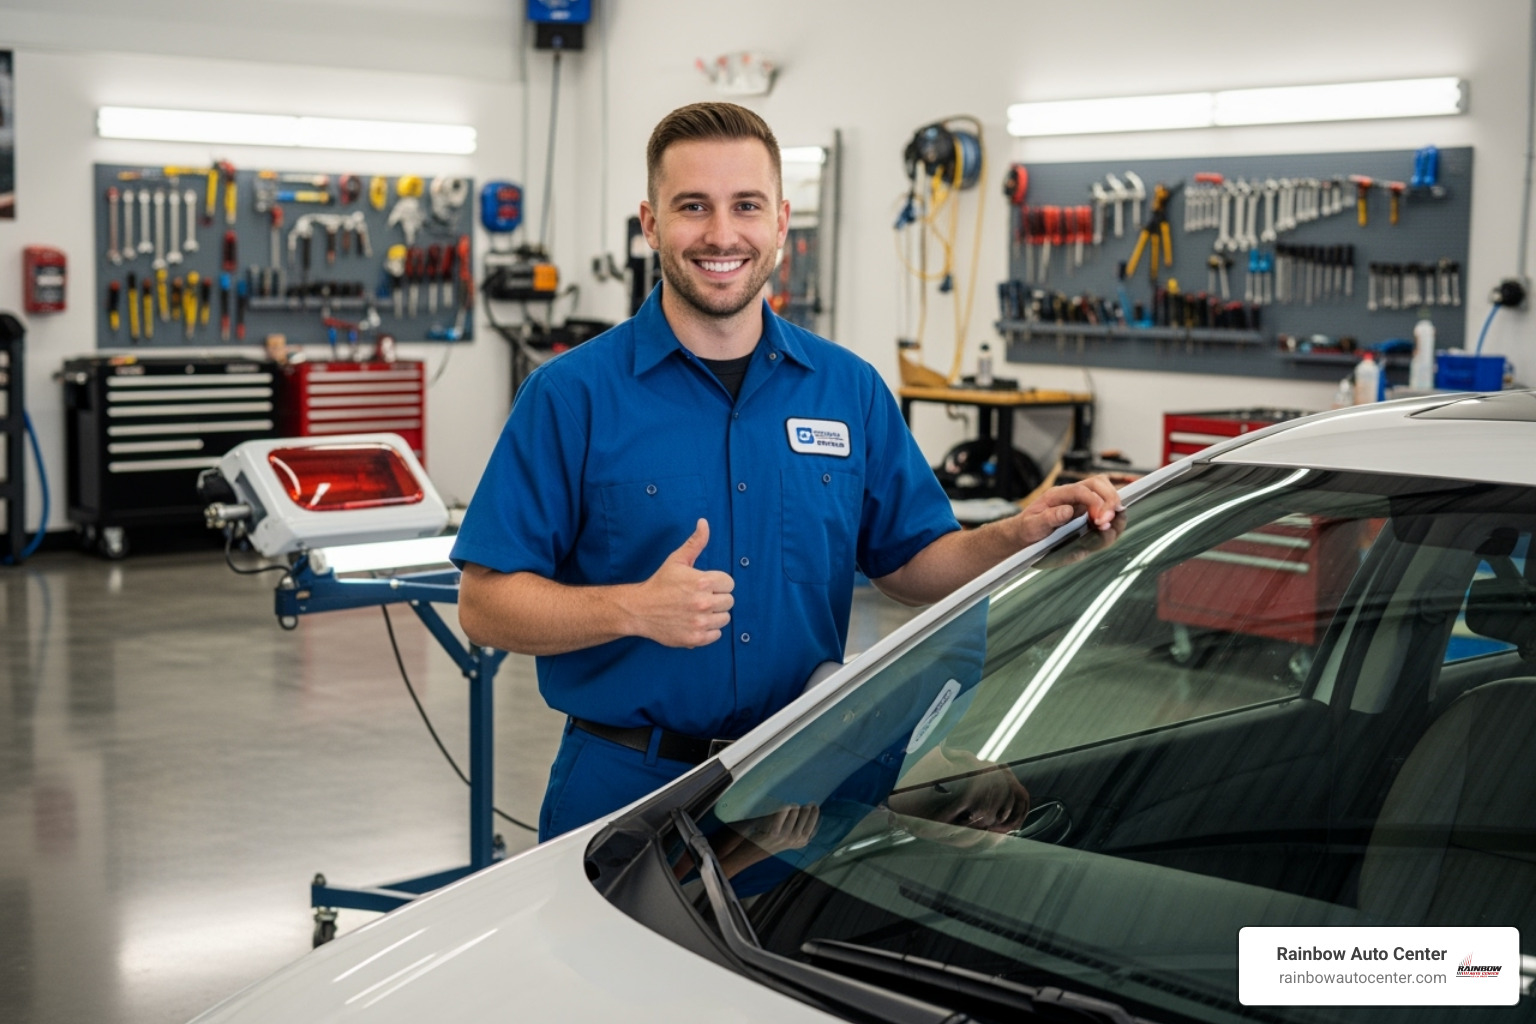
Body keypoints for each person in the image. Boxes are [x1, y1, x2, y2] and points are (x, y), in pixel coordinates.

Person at [453, 101, 1121, 842]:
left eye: (746, 206)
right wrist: (632, 610)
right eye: (692, 207)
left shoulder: (848, 390)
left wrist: (1012, 535)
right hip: (622, 791)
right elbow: (485, 605)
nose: (720, 234)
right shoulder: (571, 396)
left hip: (804, 789)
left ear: (780, 224)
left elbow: (911, 565)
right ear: (650, 224)